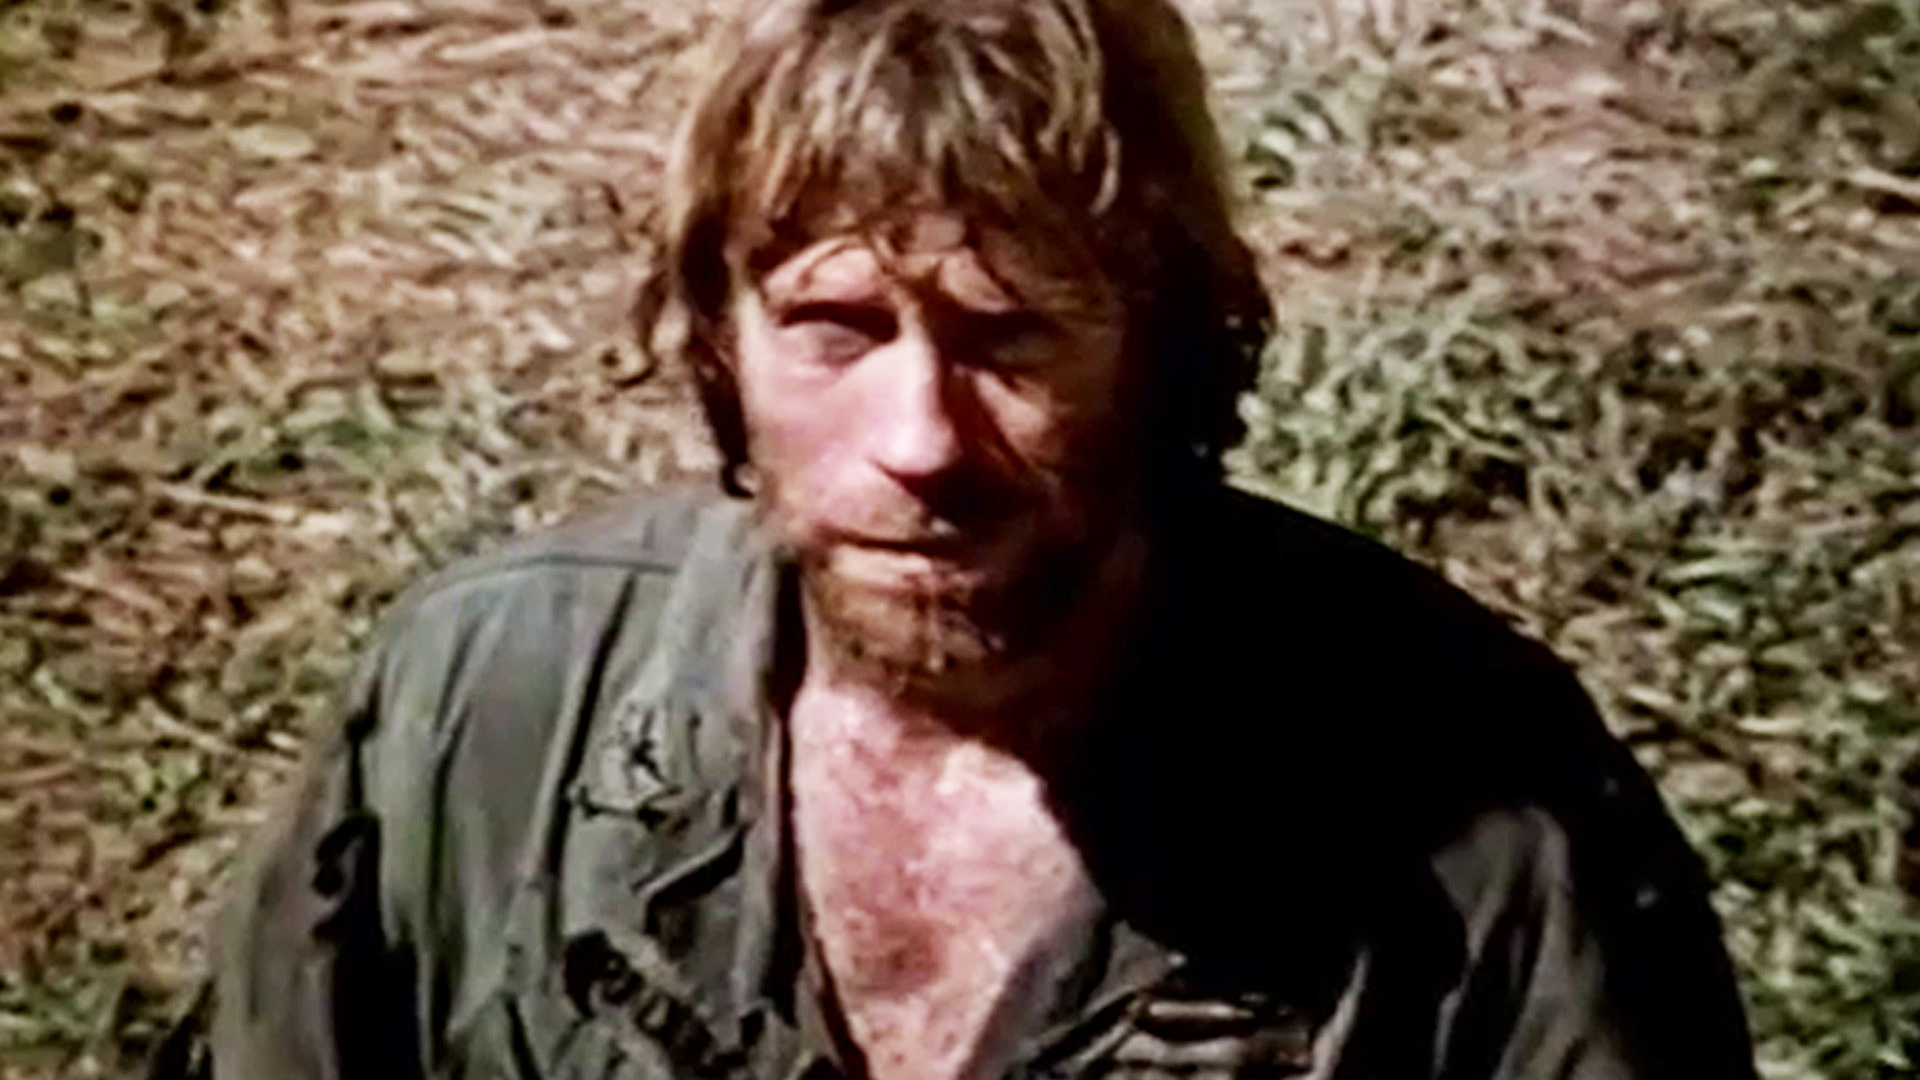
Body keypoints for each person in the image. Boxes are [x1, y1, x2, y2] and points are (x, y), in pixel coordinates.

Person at [152, 1, 1758, 1077]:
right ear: (717, 342)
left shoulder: (1482, 807)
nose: (923, 439)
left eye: (1012, 335)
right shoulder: (482, 707)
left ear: (1166, 344)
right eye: (836, 328)